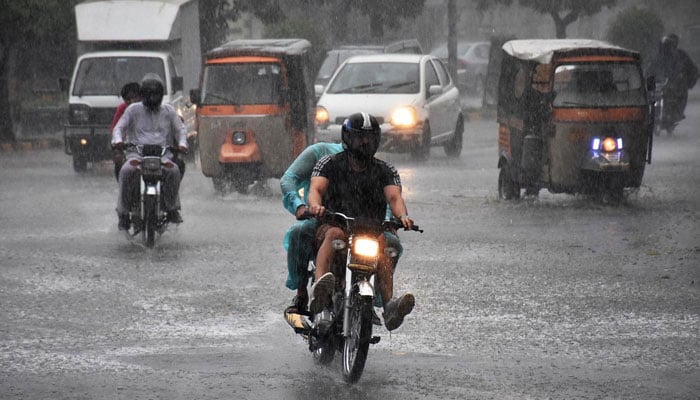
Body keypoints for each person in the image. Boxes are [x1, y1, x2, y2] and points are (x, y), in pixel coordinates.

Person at [307, 112, 415, 331]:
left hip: (369, 231)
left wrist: (402, 216)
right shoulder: (329, 163)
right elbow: (315, 190)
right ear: (347, 138)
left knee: (386, 247)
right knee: (335, 235)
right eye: (359, 137)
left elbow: (395, 197)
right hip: (335, 226)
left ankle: (388, 306)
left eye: (370, 137)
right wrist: (316, 205)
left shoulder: (386, 170)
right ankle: (321, 291)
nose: (365, 142)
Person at [280, 142, 404, 322]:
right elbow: (290, 179)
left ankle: (381, 302)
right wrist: (299, 206)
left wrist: (390, 221)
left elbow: (386, 198)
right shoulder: (324, 158)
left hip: (364, 224)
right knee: (300, 233)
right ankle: (302, 294)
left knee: (391, 243)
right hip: (327, 219)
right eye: (359, 137)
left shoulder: (376, 165)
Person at [111, 74, 188, 230]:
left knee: (174, 171)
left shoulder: (169, 111)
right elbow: (119, 127)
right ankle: (124, 213)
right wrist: (118, 141)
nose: (152, 98)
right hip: (136, 155)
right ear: (143, 95)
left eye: (156, 95)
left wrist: (182, 144)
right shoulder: (133, 110)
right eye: (149, 94)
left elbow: (181, 130)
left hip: (163, 156)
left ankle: (172, 207)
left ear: (161, 95)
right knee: (126, 171)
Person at [649, 33, 699, 132]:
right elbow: (651, 69)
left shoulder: (680, 55)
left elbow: (691, 70)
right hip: (661, 85)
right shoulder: (658, 56)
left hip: (676, 86)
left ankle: (673, 116)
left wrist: (686, 82)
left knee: (677, 99)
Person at [110, 82, 141, 181]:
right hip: (131, 147)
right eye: (128, 99)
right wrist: (119, 143)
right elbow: (116, 129)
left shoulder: (151, 107)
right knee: (119, 162)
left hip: (150, 146)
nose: (132, 101)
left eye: (135, 97)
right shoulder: (123, 110)